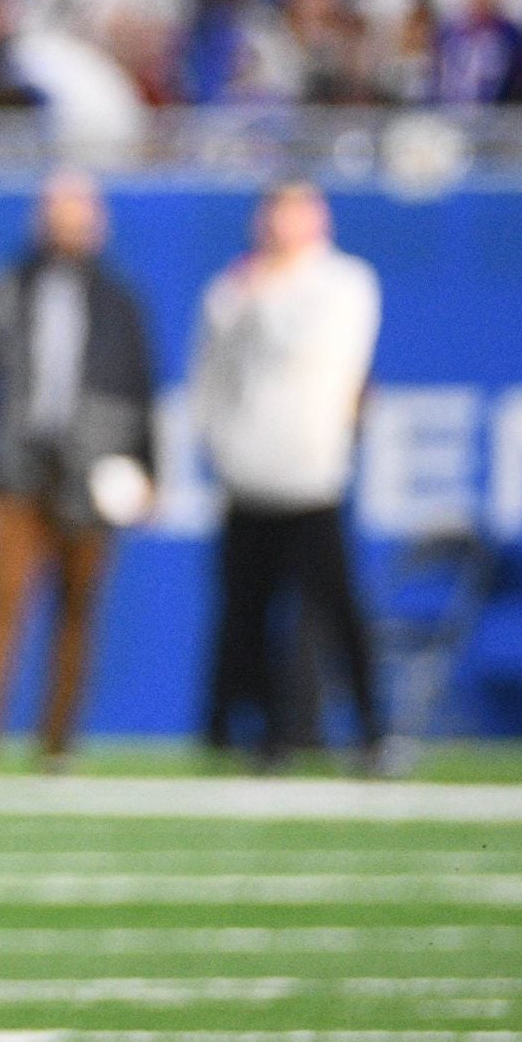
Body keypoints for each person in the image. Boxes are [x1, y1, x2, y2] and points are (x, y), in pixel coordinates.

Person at [0, 169, 159, 766]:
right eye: (57, 211)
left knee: (78, 610)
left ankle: (58, 743)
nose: (67, 224)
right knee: (2, 603)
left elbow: (141, 390)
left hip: (92, 471)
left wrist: (148, 470)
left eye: (78, 212)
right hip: (17, 465)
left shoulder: (120, 299)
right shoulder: (5, 287)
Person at [191, 182, 386, 770]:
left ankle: (373, 729)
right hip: (248, 475)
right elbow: (209, 379)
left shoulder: (342, 281)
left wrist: (262, 291)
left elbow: (308, 347)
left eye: (294, 212)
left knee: (336, 608)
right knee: (249, 614)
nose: (280, 225)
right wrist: (220, 448)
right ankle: (264, 734)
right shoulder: (230, 290)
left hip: (310, 474)